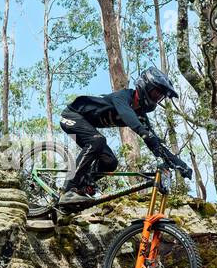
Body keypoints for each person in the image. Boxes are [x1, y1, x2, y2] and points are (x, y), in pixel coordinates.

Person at [58, 67, 191, 204]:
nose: (156, 98)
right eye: (155, 93)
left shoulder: (140, 116)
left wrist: (180, 164)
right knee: (98, 141)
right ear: (145, 86)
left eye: (160, 96)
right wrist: (145, 133)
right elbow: (128, 115)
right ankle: (68, 190)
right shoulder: (122, 97)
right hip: (71, 115)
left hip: (85, 124)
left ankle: (83, 184)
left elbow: (155, 144)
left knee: (110, 162)